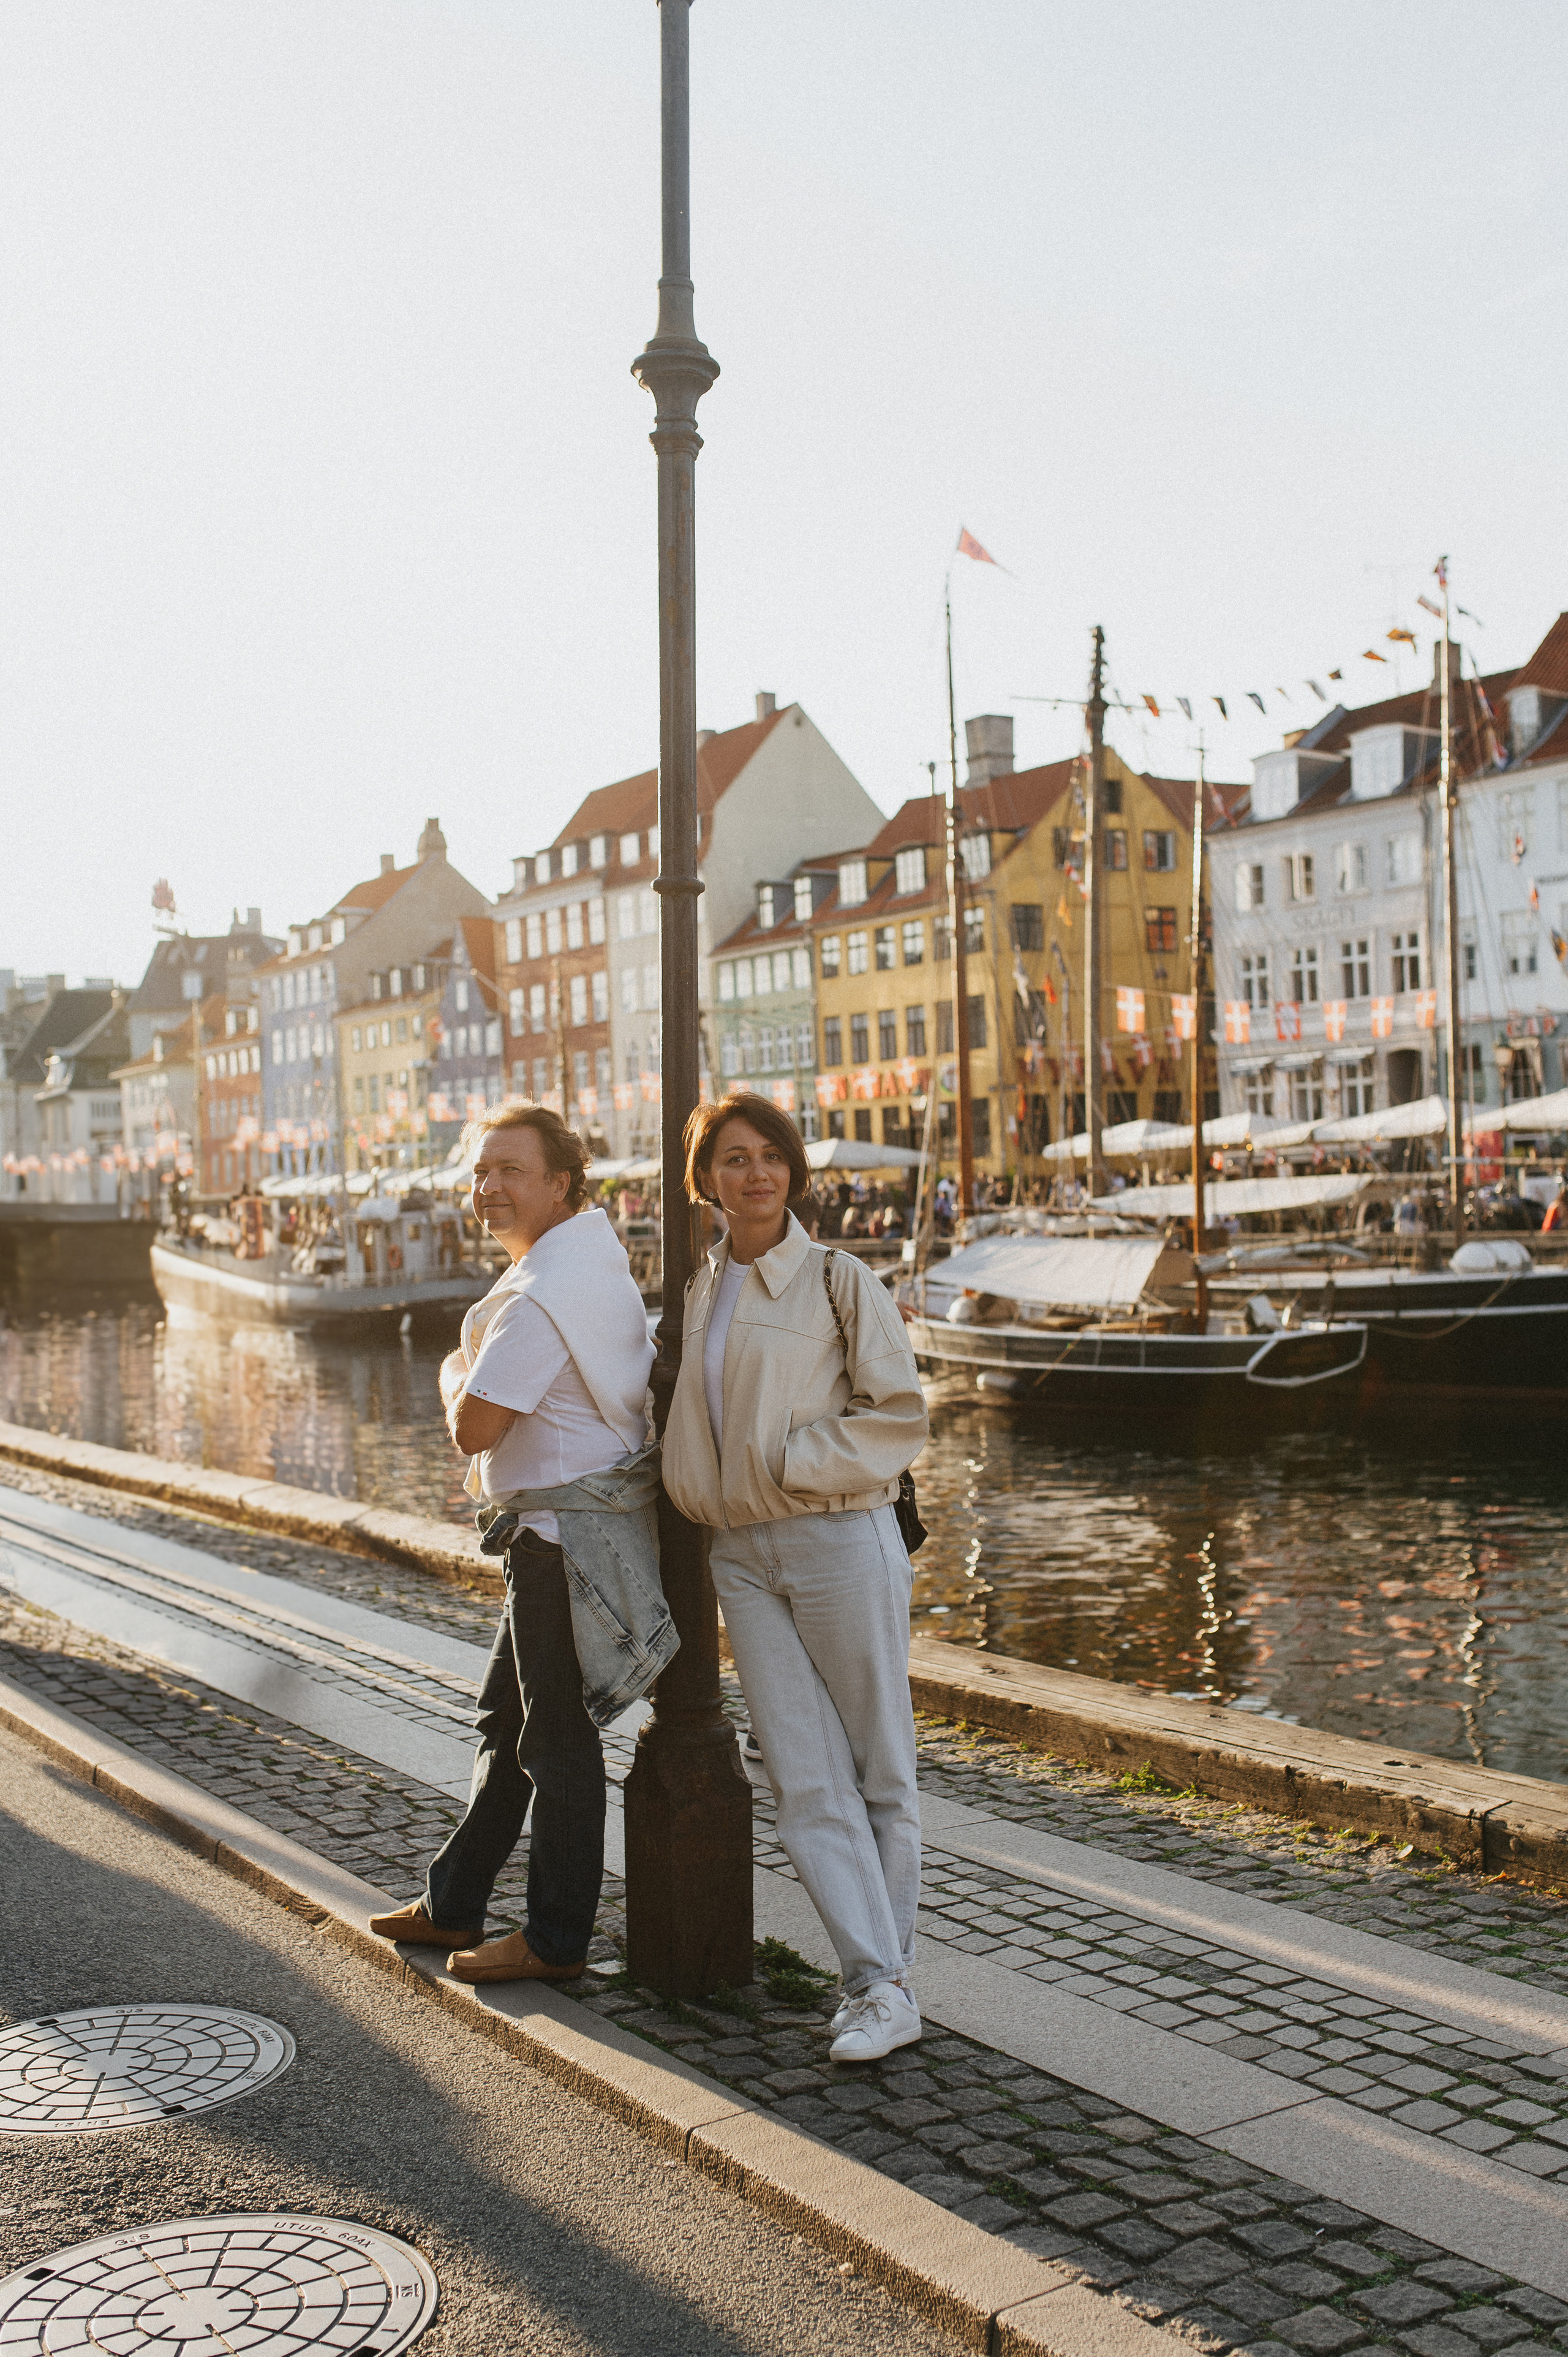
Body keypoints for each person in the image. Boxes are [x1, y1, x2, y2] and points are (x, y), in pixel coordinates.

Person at [661, 1092, 930, 2065]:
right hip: (740, 1553)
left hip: (835, 1535)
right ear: (705, 1182)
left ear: (794, 1170)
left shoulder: (835, 1276)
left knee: (879, 1768)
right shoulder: (697, 1292)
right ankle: (877, 1981)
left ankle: (883, 1983)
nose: (756, 1173)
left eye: (771, 1155)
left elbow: (898, 1416)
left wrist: (789, 1463)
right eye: (733, 1158)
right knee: (803, 1779)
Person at [369, 1102, 664, 1986]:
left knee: (558, 1744)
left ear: (561, 1182)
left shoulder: (540, 1301)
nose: (487, 1188)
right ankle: (454, 1899)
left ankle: (555, 1939)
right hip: (558, 1535)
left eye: (509, 1171)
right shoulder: (583, 1271)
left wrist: (455, 1367)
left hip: (560, 1543)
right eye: (478, 1172)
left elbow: (475, 1427)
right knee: (509, 1724)